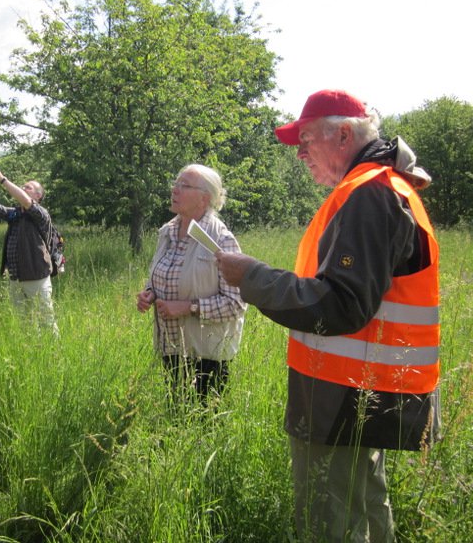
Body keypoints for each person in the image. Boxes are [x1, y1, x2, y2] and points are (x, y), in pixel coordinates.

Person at [215, 90, 440, 542]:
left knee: (330, 520)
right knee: (366, 507)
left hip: (345, 396)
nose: (299, 153)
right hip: (360, 389)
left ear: (342, 134)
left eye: (305, 139)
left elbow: (341, 305)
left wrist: (253, 277)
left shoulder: (369, 194)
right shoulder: (374, 188)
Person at [136, 164, 246, 403]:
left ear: (204, 198)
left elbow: (236, 304)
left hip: (207, 353)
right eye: (175, 183)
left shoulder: (221, 239)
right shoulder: (167, 232)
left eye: (183, 186)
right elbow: (162, 276)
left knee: (203, 424)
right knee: (176, 413)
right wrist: (149, 294)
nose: (174, 190)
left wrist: (188, 307)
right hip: (171, 345)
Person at [0, 167, 59, 334]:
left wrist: (2, 179)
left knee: (46, 319)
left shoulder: (40, 214)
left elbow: (25, 200)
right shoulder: (14, 214)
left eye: (28, 187)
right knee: (24, 321)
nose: (23, 188)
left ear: (38, 196)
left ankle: (54, 353)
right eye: (23, 186)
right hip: (16, 277)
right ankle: (31, 352)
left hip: (36, 275)